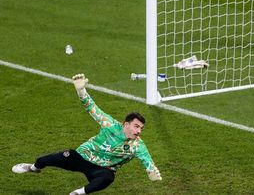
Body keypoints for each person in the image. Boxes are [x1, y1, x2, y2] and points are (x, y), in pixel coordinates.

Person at [12, 74, 162, 195]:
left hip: (102, 169)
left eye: (141, 128)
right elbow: (91, 107)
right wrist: (81, 90)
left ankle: (78, 193)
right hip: (82, 156)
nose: (138, 131)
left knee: (108, 178)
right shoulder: (109, 124)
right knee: (45, 160)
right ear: (126, 124)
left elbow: (147, 160)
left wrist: (151, 171)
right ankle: (33, 168)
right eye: (136, 126)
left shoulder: (138, 145)